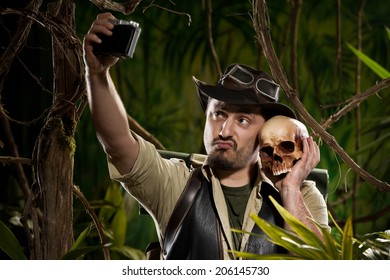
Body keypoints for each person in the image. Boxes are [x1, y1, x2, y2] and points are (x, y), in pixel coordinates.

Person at [83, 13, 330, 260]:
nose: (224, 130)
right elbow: (118, 144)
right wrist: (97, 75)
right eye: (219, 114)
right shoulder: (177, 185)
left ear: (266, 134)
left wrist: (290, 190)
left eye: (242, 120)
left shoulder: (303, 195)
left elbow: (319, 265)